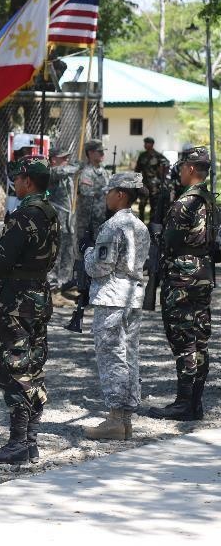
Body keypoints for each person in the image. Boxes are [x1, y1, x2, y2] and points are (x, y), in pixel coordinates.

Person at [0, 156, 59, 465]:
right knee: (33, 367)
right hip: (37, 297)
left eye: (19, 177)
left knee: (13, 370)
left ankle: (18, 442)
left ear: (28, 180)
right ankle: (30, 440)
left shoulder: (25, 214)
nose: (15, 182)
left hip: (16, 301)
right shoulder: (50, 212)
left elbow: (1, 260)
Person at [149, 146, 216, 421]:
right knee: (199, 338)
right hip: (202, 274)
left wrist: (157, 234)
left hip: (182, 278)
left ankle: (185, 403)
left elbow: (170, 241)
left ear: (189, 169)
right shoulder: (209, 200)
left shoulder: (185, 202)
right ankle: (194, 402)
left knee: (184, 339)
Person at [81, 172, 150, 440]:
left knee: (112, 356)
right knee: (129, 354)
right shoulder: (140, 226)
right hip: (132, 296)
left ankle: (115, 418)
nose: (105, 196)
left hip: (112, 298)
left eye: (109, 191)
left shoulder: (112, 226)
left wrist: (87, 252)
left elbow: (99, 266)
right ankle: (126, 419)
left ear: (120, 194)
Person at [48, 147, 78, 291]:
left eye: (67, 157)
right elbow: (63, 171)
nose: (67, 160)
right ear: (54, 159)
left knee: (68, 249)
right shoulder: (51, 171)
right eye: (63, 157)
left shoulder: (67, 174)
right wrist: (77, 166)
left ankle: (64, 281)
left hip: (68, 219)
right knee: (56, 250)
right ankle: (51, 280)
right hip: (56, 217)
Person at [75, 139, 111, 244]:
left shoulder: (103, 171)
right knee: (85, 249)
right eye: (100, 152)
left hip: (101, 217)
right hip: (88, 220)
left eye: (103, 151)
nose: (103, 154)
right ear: (90, 153)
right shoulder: (86, 172)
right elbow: (86, 192)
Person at [134, 137, 169, 222]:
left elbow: (167, 163)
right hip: (144, 184)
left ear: (152, 144)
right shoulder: (142, 156)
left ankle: (152, 225)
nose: (145, 145)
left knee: (154, 206)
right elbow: (137, 171)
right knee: (142, 205)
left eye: (147, 143)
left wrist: (162, 175)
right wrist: (137, 184)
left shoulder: (158, 156)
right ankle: (141, 223)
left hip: (154, 185)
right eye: (145, 143)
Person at [6, 133, 38, 213]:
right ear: (19, 149)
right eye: (27, 149)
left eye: (31, 149)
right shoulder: (11, 165)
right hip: (15, 200)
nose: (30, 152)